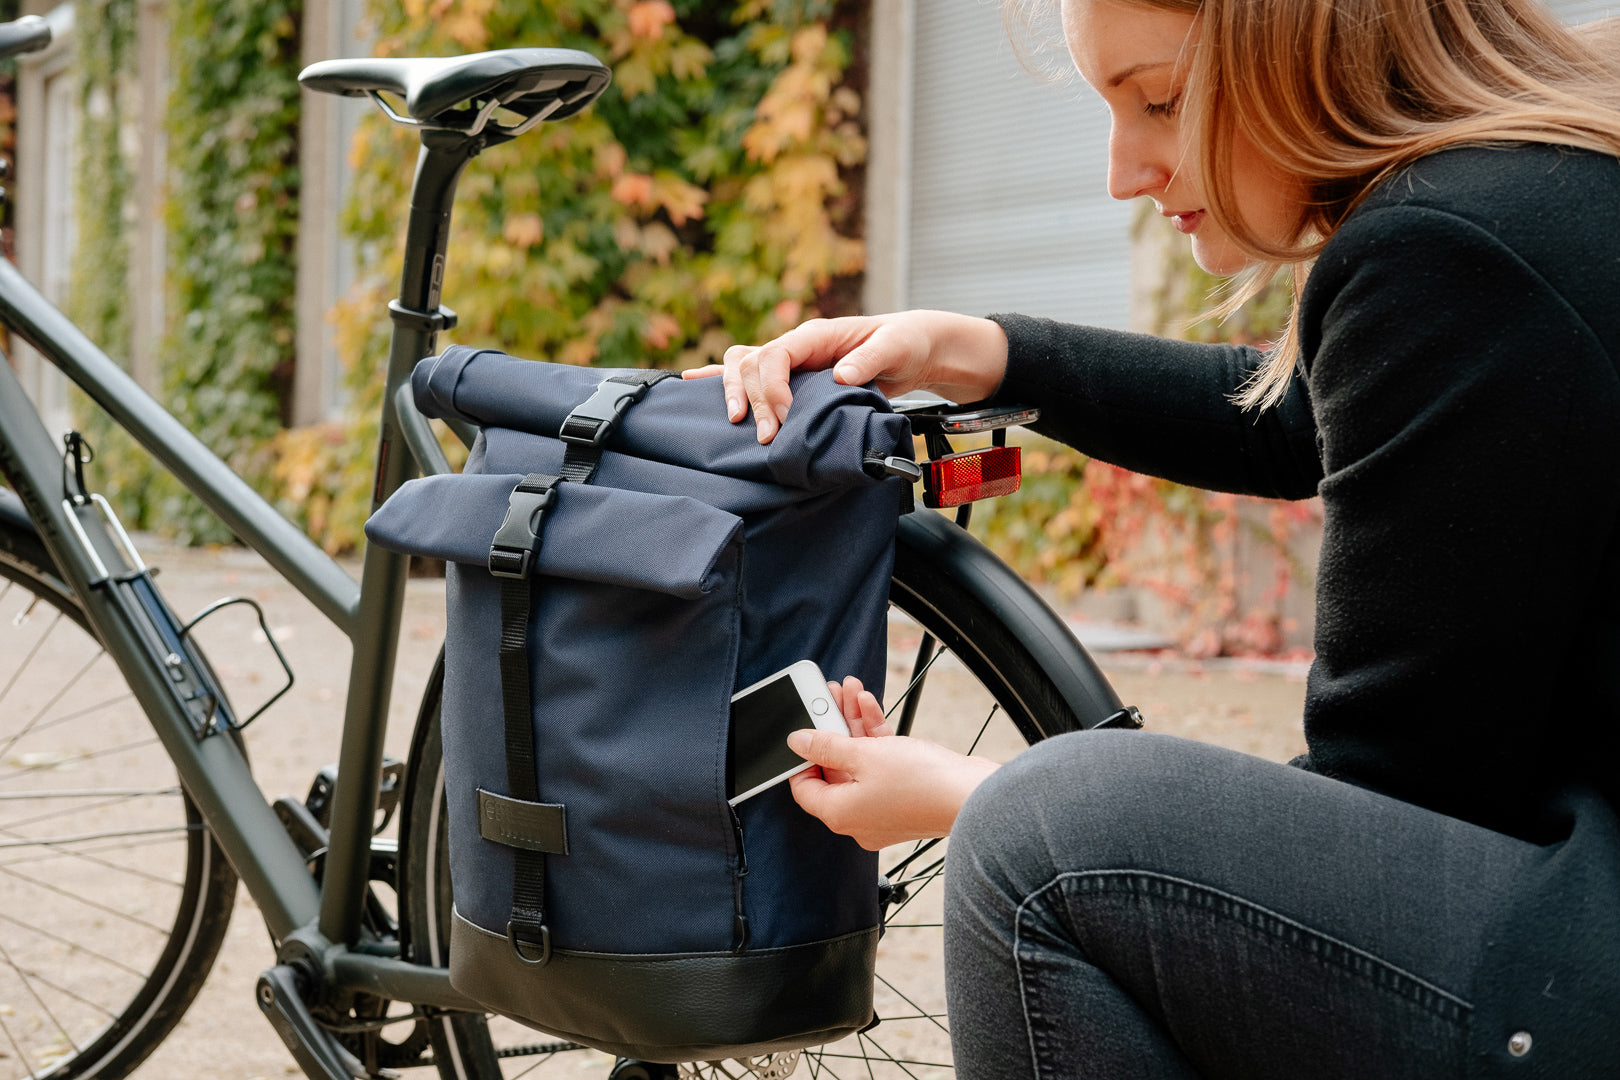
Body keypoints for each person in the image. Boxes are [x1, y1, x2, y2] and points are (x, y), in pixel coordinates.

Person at [685, 0, 1620, 1075]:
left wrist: (965, 797)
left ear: (1306, 43)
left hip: (1578, 970)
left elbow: (1376, 821)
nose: (1125, 172)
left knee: (1043, 849)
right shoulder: (1544, 179)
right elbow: (1317, 421)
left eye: (1162, 101)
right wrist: (980, 351)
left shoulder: (1452, 251)